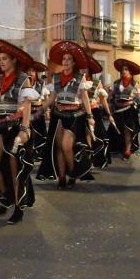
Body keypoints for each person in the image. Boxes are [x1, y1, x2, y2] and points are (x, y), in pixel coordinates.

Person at [0, 38, 38, 223]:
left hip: (16, 128)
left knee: (16, 170)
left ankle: (18, 206)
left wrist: (24, 129)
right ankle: (6, 196)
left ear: (14, 60)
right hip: (0, 127)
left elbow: (27, 106)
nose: (1, 62)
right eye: (0, 59)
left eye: (5, 58)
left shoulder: (24, 79)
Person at [36, 41, 95, 188]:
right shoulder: (55, 78)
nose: (66, 61)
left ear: (74, 63)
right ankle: (62, 177)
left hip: (75, 116)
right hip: (58, 115)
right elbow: (52, 97)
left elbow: (85, 98)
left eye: (69, 59)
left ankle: (73, 171)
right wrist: (41, 109)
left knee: (66, 146)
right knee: (58, 148)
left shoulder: (79, 78)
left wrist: (90, 116)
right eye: (64, 59)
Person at [107, 59, 140, 160]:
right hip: (117, 110)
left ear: (130, 71)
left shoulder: (134, 84)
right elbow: (109, 96)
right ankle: (119, 147)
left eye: (126, 69)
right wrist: (109, 104)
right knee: (117, 130)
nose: (124, 71)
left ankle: (127, 150)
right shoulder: (116, 83)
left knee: (128, 130)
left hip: (129, 110)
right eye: (123, 69)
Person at [83, 55, 114, 169]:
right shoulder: (77, 81)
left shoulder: (96, 83)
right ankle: (88, 159)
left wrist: (109, 114)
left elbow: (103, 100)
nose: (83, 70)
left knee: (98, 135)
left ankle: (94, 159)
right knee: (86, 136)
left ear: (89, 69)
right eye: (82, 68)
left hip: (95, 112)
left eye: (85, 68)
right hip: (81, 112)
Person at [25, 61, 49, 160]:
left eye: (33, 71)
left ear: (36, 73)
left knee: (41, 132)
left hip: (38, 111)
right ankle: (30, 153)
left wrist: (47, 111)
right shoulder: (23, 83)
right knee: (30, 132)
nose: (31, 73)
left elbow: (45, 99)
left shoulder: (41, 84)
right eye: (29, 71)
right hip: (28, 111)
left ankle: (40, 153)